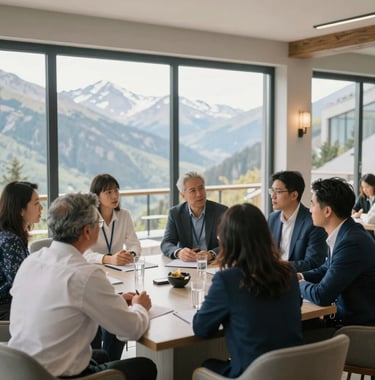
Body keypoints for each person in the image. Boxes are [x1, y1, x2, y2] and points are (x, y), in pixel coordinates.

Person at [9, 192, 157, 380]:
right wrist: (140, 306)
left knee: (101, 355)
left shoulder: (33, 261)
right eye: (98, 224)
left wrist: (116, 301)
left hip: (21, 368)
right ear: (87, 231)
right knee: (145, 366)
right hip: (57, 376)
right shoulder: (85, 274)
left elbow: (65, 305)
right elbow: (132, 329)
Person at [193, 203, 303, 378]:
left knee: (207, 366)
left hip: (252, 375)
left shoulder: (227, 280)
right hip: (292, 372)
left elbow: (201, 328)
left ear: (227, 240)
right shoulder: (289, 272)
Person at [298, 178, 375, 335]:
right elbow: (327, 268)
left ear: (327, 211)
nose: (310, 210)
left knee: (289, 336)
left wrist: (297, 283)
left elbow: (322, 295)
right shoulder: (347, 232)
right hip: (344, 321)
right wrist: (300, 275)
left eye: (312, 204)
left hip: (360, 330)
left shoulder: (351, 242)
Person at [84, 174, 142, 360]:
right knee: (108, 312)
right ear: (97, 196)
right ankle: (105, 364)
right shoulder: (89, 219)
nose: (114, 195)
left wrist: (129, 255)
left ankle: (110, 362)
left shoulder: (124, 216)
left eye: (116, 190)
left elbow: (135, 245)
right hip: (96, 276)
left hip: (121, 276)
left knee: (119, 310)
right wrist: (109, 259)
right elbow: (85, 254)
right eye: (108, 191)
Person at [161, 171, 227, 262]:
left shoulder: (221, 212)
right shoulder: (175, 213)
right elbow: (166, 243)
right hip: (187, 265)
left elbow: (230, 243)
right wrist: (179, 252)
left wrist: (211, 254)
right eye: (193, 190)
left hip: (213, 264)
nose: (199, 194)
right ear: (183, 195)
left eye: (201, 188)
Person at [268, 171, 327, 272]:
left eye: (278, 191)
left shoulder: (313, 222)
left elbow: (312, 263)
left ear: (294, 195)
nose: (272, 196)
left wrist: (276, 266)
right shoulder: (272, 218)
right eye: (272, 190)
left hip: (297, 280)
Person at [0, 181, 42, 320]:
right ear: (21, 210)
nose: (41, 208)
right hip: (7, 309)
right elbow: (21, 285)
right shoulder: (10, 240)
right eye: (36, 203)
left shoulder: (11, 235)